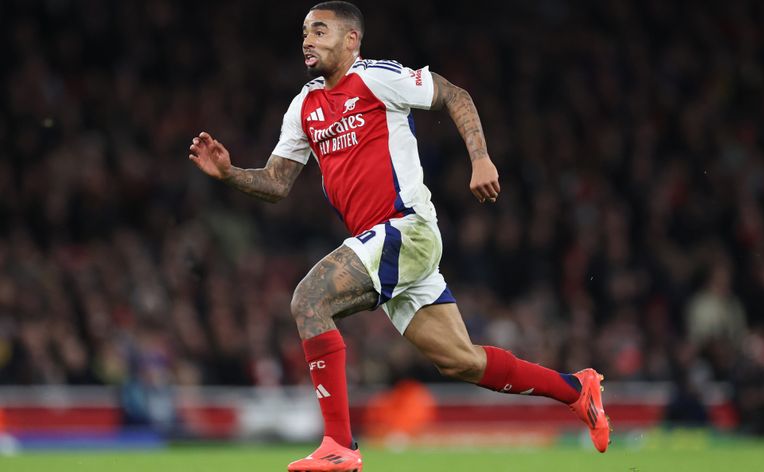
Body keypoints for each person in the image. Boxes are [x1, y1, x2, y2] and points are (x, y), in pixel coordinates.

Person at [188, 2, 610, 470]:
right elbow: (277, 183)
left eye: (320, 31)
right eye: (305, 32)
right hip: (382, 243)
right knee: (461, 362)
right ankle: (576, 390)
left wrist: (481, 159)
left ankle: (340, 445)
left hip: (406, 229)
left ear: (351, 40)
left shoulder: (376, 77)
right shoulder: (304, 105)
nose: (308, 40)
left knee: (309, 299)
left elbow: (455, 95)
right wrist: (228, 174)